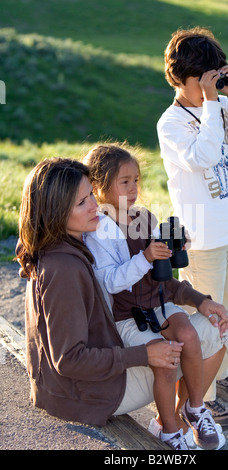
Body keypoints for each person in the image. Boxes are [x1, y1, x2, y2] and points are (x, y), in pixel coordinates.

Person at [16, 157, 189, 447]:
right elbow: (69, 359)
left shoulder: (59, 244)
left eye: (91, 195)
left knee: (181, 341)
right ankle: (171, 427)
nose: (96, 206)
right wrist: (144, 355)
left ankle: (175, 421)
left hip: (64, 386)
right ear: (56, 211)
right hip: (79, 395)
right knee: (189, 348)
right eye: (82, 202)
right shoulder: (64, 270)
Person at [82, 143, 228, 450]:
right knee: (166, 357)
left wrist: (172, 250)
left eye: (136, 180)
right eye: (125, 181)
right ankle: (168, 430)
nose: (134, 188)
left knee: (189, 334)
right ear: (98, 186)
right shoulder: (98, 231)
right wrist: (146, 258)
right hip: (127, 317)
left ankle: (194, 407)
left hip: (159, 304)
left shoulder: (144, 218)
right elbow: (110, 282)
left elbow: (162, 281)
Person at [156, 27, 228, 428]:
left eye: (214, 79)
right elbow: (203, 156)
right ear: (179, 79)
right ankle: (198, 398)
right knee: (206, 322)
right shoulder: (171, 123)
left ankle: (217, 379)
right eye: (201, 81)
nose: (210, 88)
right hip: (203, 238)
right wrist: (210, 104)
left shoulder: (220, 107)